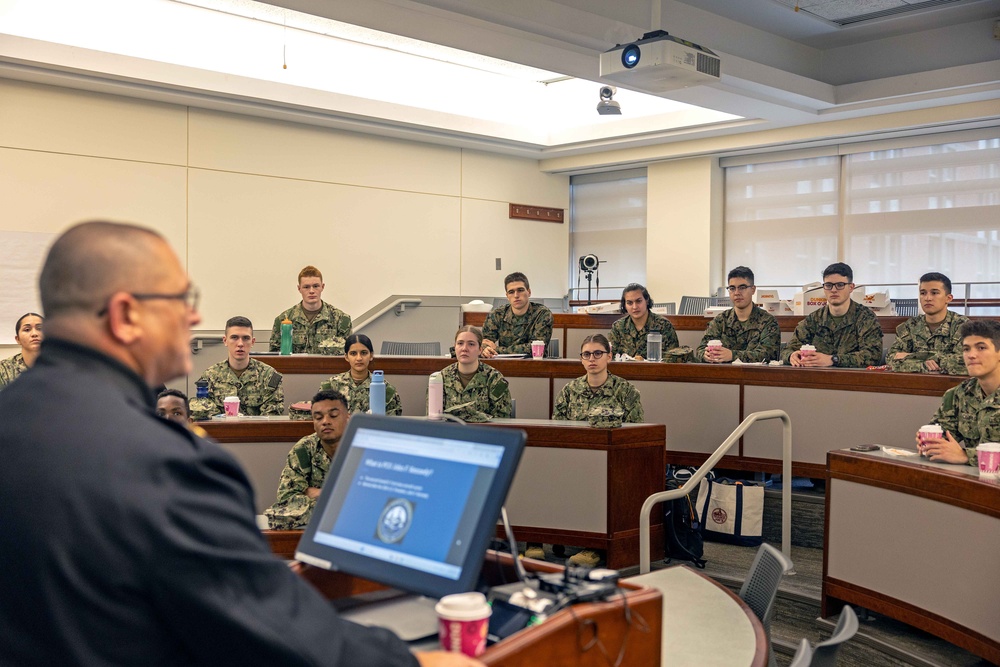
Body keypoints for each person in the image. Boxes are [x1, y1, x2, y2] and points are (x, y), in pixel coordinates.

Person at [0, 220, 474, 667]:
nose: (195, 315)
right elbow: (277, 635)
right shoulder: (165, 463)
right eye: (180, 298)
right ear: (126, 315)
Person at [552, 334, 643, 568]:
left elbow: (635, 436)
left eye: (597, 354)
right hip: (575, 460)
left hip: (612, 464)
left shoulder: (626, 391)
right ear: (581, 359)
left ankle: (594, 547)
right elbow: (557, 430)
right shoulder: (569, 391)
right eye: (586, 354)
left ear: (609, 357)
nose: (592, 359)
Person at [919, 320, 1000, 468]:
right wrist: (931, 443)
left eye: (981, 348)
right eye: (966, 349)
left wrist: (965, 456)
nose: (971, 355)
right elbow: (941, 432)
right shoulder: (960, 394)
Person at [265, 390, 350, 529]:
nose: (326, 421)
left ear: (348, 418)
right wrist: (334, 496)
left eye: (333, 415)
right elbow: (286, 498)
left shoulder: (365, 448)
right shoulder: (304, 449)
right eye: (318, 417)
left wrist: (313, 493)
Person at [781, 262, 883, 368]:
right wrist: (791, 356)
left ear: (851, 287)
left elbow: (873, 356)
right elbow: (787, 350)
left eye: (840, 285)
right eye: (828, 285)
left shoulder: (865, 318)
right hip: (816, 379)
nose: (833, 290)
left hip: (853, 380)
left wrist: (833, 360)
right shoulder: (814, 319)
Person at [189, 316, 285, 420]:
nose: (240, 344)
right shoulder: (210, 376)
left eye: (246, 338)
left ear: (252, 342)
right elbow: (208, 417)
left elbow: (272, 418)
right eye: (234, 337)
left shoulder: (268, 376)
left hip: (257, 434)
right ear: (225, 341)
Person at [888, 272, 969, 375]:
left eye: (934, 293)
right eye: (923, 293)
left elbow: (965, 362)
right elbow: (891, 358)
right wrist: (923, 365)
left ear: (948, 298)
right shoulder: (910, 326)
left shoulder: (963, 326)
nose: (927, 298)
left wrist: (915, 357)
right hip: (914, 384)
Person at [696, 267, 780, 363]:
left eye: (742, 288)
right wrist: (706, 355)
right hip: (723, 375)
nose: (736, 293)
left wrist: (732, 355)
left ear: (753, 289)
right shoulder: (720, 320)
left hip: (755, 376)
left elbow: (769, 355)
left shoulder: (768, 322)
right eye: (732, 288)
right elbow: (701, 349)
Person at [269, 265, 353, 355]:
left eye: (316, 286)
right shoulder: (283, 320)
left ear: (322, 287)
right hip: (294, 369)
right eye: (306, 287)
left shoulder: (340, 320)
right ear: (299, 289)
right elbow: (275, 357)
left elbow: (350, 354)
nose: (311, 291)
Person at [440, 326, 512, 422]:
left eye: (471, 344)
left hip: (485, 434)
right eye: (460, 343)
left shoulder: (494, 378)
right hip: (450, 434)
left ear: (480, 350)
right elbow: (434, 417)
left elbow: (502, 421)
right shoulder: (441, 378)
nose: (464, 348)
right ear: (455, 347)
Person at [320, 333, 402, 415]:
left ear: (371, 355)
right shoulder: (331, 386)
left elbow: (392, 424)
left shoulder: (385, 390)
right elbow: (320, 417)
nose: (359, 358)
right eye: (353, 353)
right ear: (346, 357)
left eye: (364, 353)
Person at [480, 271, 553, 357]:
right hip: (503, 365)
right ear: (507, 295)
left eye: (520, 290)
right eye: (511, 292)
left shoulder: (542, 314)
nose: (516, 295)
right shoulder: (497, 314)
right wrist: (486, 349)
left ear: (529, 292)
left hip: (534, 365)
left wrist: (497, 349)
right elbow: (484, 343)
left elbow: (536, 348)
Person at [608, 283, 678, 359]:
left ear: (646, 301)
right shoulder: (618, 327)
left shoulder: (664, 325)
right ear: (624, 305)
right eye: (629, 303)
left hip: (656, 370)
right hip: (624, 370)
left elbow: (672, 360)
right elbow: (610, 357)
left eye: (638, 301)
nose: (634, 307)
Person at [0, 312, 43, 390]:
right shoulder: (4, 369)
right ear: (18, 339)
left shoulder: (63, 365)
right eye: (27, 330)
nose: (34, 334)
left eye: (40, 329)